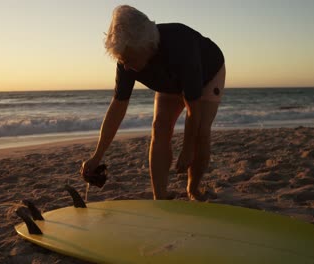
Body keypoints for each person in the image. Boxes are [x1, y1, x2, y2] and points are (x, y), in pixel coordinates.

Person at [81, 5, 225, 201]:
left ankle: (193, 189)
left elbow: (194, 109)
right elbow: (117, 107)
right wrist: (97, 155)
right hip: (169, 80)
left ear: (146, 47)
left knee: (201, 132)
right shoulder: (126, 56)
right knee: (159, 129)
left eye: (129, 59)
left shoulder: (180, 46)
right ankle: (161, 196)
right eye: (121, 60)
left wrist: (187, 148)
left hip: (207, 74)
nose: (125, 65)